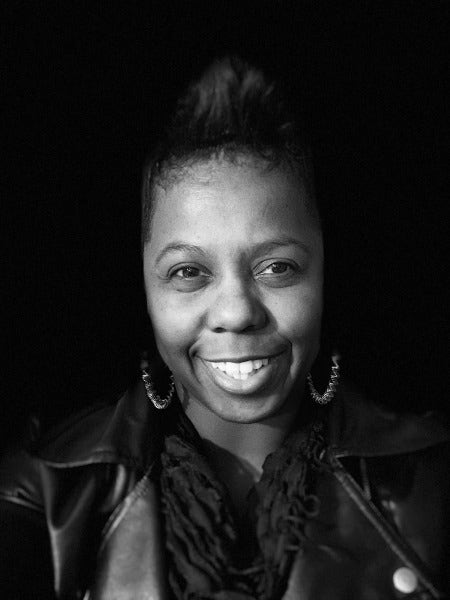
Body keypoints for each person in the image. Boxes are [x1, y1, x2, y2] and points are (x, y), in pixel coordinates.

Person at [1, 56, 449, 600]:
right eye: (189, 273)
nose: (237, 313)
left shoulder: (434, 485)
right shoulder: (40, 495)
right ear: (143, 284)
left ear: (326, 269)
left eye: (277, 267)